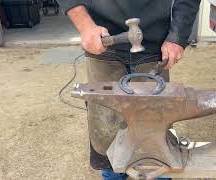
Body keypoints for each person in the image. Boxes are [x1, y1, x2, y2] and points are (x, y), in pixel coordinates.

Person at [57, 0, 201, 179]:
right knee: (106, 131)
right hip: (102, 44)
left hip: (155, 47)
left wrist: (178, 37)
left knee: (154, 132)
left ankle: (158, 170)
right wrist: (85, 25)